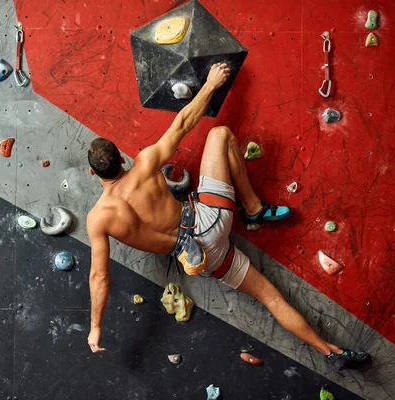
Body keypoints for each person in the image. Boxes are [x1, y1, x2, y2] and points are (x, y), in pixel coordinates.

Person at [85, 63, 370, 370]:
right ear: (121, 159)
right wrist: (210, 84)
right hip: (209, 217)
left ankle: (330, 352)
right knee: (220, 135)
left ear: (93, 172)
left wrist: (96, 327)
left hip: (204, 259)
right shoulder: (144, 163)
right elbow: (182, 124)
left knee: (271, 298)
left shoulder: (98, 218)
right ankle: (253, 208)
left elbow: (100, 276)